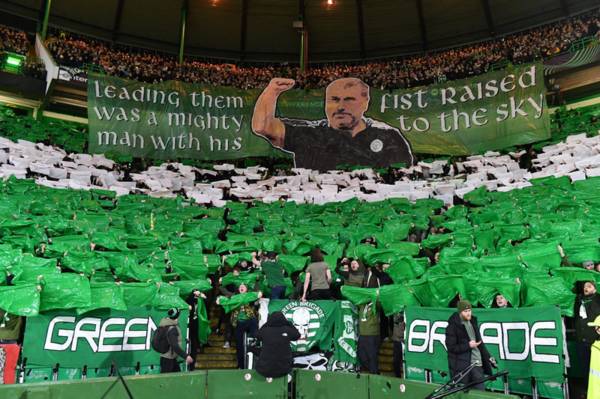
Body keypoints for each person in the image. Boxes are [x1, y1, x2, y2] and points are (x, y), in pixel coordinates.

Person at [252, 77, 414, 170]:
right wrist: (272, 91)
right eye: (334, 100)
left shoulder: (388, 136)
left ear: (365, 103)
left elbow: (401, 178)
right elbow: (262, 127)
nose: (341, 107)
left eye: (349, 100)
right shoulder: (308, 133)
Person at [445, 300, 494, 390]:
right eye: (465, 311)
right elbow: (451, 347)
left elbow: (480, 344)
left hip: (477, 364)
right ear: (460, 312)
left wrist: (488, 357)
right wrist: (468, 345)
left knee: (479, 393)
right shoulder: (452, 326)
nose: (468, 313)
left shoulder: (473, 322)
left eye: (469, 311)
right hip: (464, 367)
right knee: (470, 393)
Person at [255, 311, 301, 379]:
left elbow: (257, 335)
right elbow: (297, 335)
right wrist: (289, 323)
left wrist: (267, 324)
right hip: (284, 369)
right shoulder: (287, 329)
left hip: (265, 369)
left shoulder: (265, 330)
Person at [574, 280, 600, 395]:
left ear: (594, 288)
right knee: (585, 369)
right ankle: (587, 390)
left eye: (589, 286)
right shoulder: (579, 300)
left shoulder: (598, 299)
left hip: (595, 341)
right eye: (585, 287)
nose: (586, 288)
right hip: (581, 340)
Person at [158, 308, 194, 373]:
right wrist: (186, 356)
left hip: (170, 358)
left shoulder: (165, 324)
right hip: (168, 360)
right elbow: (174, 345)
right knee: (166, 381)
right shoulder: (172, 328)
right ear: (177, 316)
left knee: (177, 379)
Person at [586, 315, 600, 399]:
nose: (595, 329)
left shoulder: (596, 347)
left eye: (597, 327)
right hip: (594, 390)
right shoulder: (595, 345)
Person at [391, 312, 405, 378]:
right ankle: (398, 377)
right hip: (396, 341)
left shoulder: (407, 311)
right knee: (396, 362)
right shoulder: (395, 312)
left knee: (405, 361)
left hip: (405, 341)